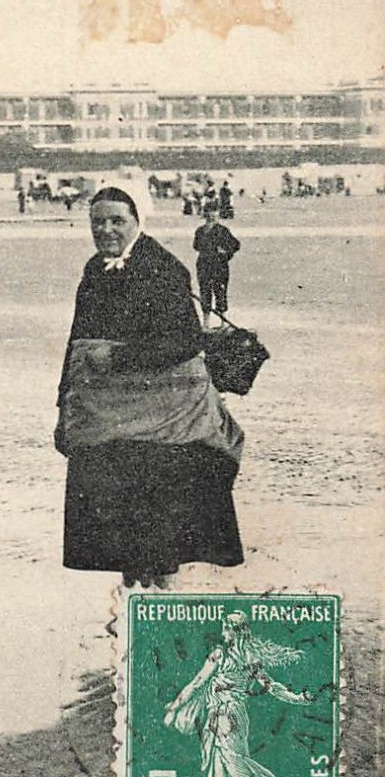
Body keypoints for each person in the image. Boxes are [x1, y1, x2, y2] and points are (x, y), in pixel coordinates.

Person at [57, 184, 245, 590]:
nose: (106, 230)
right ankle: (135, 608)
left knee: (159, 535)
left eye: (116, 221)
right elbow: (76, 343)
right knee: (122, 534)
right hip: (109, 424)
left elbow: (186, 341)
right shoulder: (95, 269)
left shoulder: (163, 267)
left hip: (161, 428)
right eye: (98, 222)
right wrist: (63, 411)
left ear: (137, 221)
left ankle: (160, 608)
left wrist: (119, 358)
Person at [163, 612, 314, 777]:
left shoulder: (223, 656)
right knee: (219, 768)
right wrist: (298, 698)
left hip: (229, 718)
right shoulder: (240, 657)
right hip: (220, 716)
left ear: (236, 631)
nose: (223, 633)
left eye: (226, 628)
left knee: (235, 768)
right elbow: (271, 687)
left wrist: (174, 708)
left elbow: (197, 683)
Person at [192, 204, 240, 323]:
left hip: (219, 265)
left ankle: (223, 322)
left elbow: (236, 244)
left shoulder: (222, 230)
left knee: (220, 292)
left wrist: (225, 252)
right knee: (205, 292)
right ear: (205, 214)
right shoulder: (199, 231)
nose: (212, 215)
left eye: (214, 212)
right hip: (204, 265)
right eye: (209, 212)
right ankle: (206, 323)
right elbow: (195, 246)